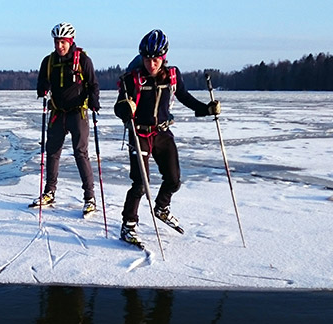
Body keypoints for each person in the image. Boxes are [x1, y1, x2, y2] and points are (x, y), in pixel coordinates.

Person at [113, 29, 221, 246]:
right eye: (147, 59)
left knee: (173, 179)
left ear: (163, 58)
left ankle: (161, 208)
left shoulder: (172, 75)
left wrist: (206, 109)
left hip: (162, 132)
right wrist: (126, 108)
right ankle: (128, 225)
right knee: (140, 183)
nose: (151, 64)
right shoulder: (132, 79)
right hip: (140, 133)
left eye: (155, 59)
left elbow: (184, 97)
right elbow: (119, 107)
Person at [31, 22, 101, 216]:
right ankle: (49, 192)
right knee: (52, 152)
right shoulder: (49, 61)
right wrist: (42, 89)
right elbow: (42, 82)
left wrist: (94, 100)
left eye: (63, 42)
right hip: (57, 113)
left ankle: (89, 197)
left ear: (70, 41)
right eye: (56, 42)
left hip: (77, 113)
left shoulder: (83, 60)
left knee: (80, 153)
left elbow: (93, 84)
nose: (59, 46)